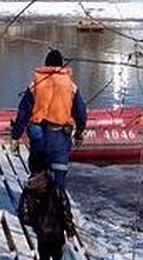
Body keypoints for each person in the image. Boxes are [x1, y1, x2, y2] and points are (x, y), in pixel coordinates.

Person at [10, 49, 88, 189]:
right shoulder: (71, 86)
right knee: (59, 180)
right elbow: (80, 113)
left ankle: (36, 200)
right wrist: (79, 131)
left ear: (46, 65)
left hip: (38, 136)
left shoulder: (35, 84)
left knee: (37, 177)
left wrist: (15, 136)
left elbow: (23, 112)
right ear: (61, 65)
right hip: (60, 138)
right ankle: (58, 203)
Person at [17, 151, 77, 260]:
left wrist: (36, 223)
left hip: (42, 234)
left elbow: (23, 216)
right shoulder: (54, 186)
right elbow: (65, 209)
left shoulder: (29, 190)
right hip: (57, 232)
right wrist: (70, 230)